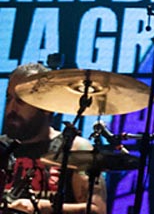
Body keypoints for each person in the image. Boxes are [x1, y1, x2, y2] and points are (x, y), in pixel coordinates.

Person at [2, 63, 108, 214]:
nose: (11, 108)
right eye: (8, 99)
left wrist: (43, 208)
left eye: (21, 101)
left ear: (46, 107)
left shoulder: (75, 148)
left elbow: (97, 210)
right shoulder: (2, 147)